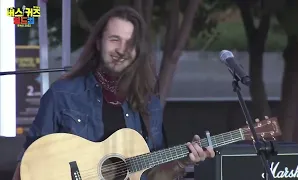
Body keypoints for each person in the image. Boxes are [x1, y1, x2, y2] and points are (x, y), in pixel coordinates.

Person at [12, 6, 215, 180]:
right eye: (114, 39)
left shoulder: (148, 104)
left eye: (130, 43)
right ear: (99, 43)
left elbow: (151, 174)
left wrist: (183, 162)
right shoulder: (62, 94)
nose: (122, 49)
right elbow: (28, 164)